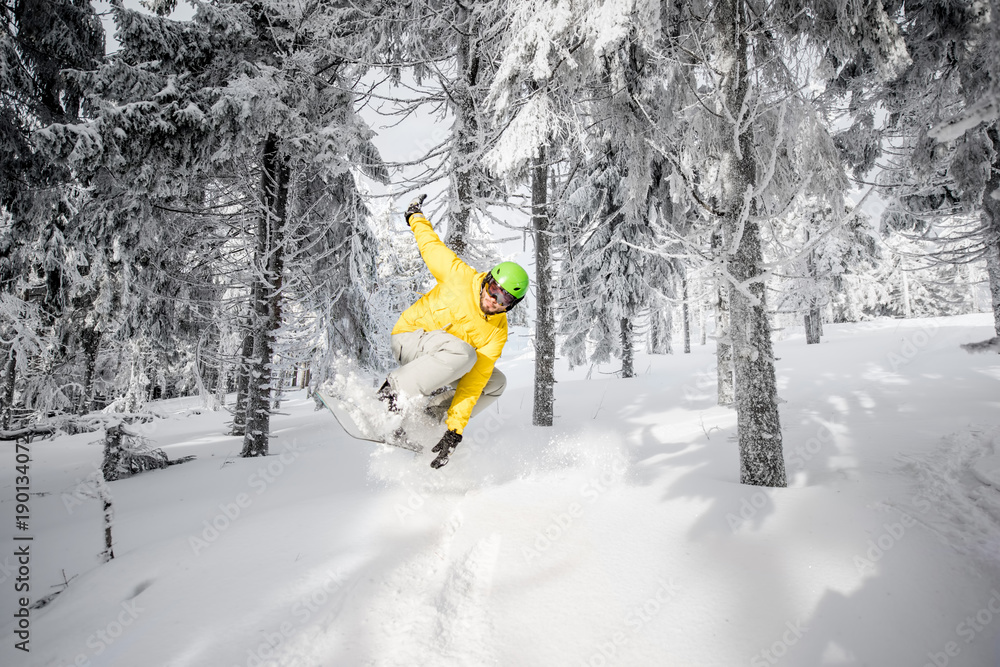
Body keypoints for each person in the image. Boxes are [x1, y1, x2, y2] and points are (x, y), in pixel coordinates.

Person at [378, 194, 529, 469]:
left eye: (504, 300)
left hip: (446, 362)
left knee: (495, 383)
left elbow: (474, 383)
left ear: (511, 305)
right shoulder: (460, 276)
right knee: (464, 353)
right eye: (494, 290)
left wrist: (454, 429)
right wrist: (415, 216)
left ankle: (428, 416)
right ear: (488, 280)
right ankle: (393, 393)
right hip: (410, 339)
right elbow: (430, 245)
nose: (493, 301)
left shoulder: (497, 332)